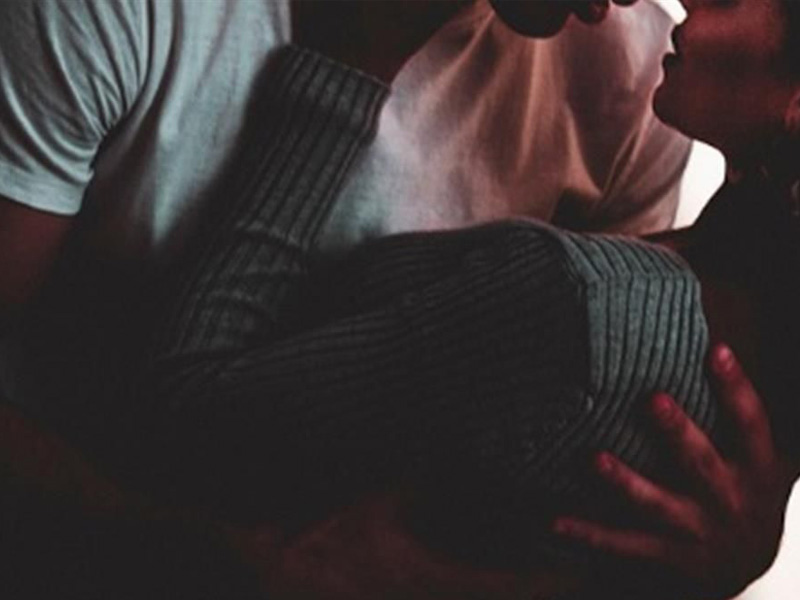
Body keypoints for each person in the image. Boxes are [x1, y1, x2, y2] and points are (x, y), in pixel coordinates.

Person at [0, 0, 788, 598]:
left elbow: (563, 468)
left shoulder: (631, 78)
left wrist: (708, 568)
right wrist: (217, 556)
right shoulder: (117, 14)